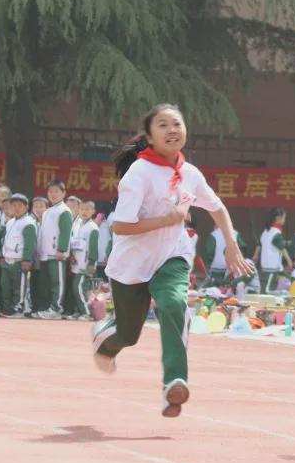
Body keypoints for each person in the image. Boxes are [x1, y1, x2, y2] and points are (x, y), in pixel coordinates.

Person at [92, 104, 252, 418]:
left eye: (177, 123)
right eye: (163, 125)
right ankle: (105, 339)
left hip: (172, 257)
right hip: (133, 263)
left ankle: (174, 383)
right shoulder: (138, 173)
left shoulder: (190, 174)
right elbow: (121, 226)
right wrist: (167, 219)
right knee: (129, 334)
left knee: (174, 304)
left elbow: (217, 208)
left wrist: (232, 245)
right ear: (150, 137)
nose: (172, 130)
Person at [37, 179, 72, 319]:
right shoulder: (48, 212)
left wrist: (61, 249)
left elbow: (65, 232)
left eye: (56, 191)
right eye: (50, 191)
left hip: (57, 254)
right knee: (47, 283)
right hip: (46, 254)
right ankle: (48, 307)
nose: (52, 194)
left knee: (57, 282)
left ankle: (56, 308)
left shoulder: (64, 211)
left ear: (64, 193)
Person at [0, 193, 37, 318]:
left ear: (26, 207)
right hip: (7, 260)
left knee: (19, 287)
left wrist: (27, 259)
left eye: (20, 205)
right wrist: (2, 256)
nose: (16, 208)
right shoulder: (10, 222)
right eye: (14, 205)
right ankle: (8, 308)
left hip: (19, 261)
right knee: (6, 286)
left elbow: (29, 243)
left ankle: (18, 308)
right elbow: (5, 241)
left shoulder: (28, 223)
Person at [66, 200, 100, 320]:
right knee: (76, 288)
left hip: (86, 264)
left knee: (78, 287)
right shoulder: (76, 224)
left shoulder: (93, 228)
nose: (84, 212)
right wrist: (71, 256)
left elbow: (94, 247)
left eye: (88, 209)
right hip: (75, 262)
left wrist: (92, 262)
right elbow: (72, 242)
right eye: (82, 209)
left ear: (93, 211)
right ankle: (78, 311)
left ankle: (86, 312)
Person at [253, 208, 292, 294]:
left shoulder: (265, 231)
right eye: (284, 218)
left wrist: (255, 255)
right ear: (278, 218)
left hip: (265, 266)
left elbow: (259, 244)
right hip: (272, 267)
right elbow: (282, 248)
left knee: (266, 288)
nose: (284, 220)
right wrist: (289, 261)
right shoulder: (276, 233)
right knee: (268, 290)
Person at [200, 224, 246, 289]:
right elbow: (243, 247)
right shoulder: (235, 233)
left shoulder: (214, 234)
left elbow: (210, 251)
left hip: (216, 267)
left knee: (215, 289)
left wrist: (208, 263)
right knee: (229, 288)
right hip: (232, 268)